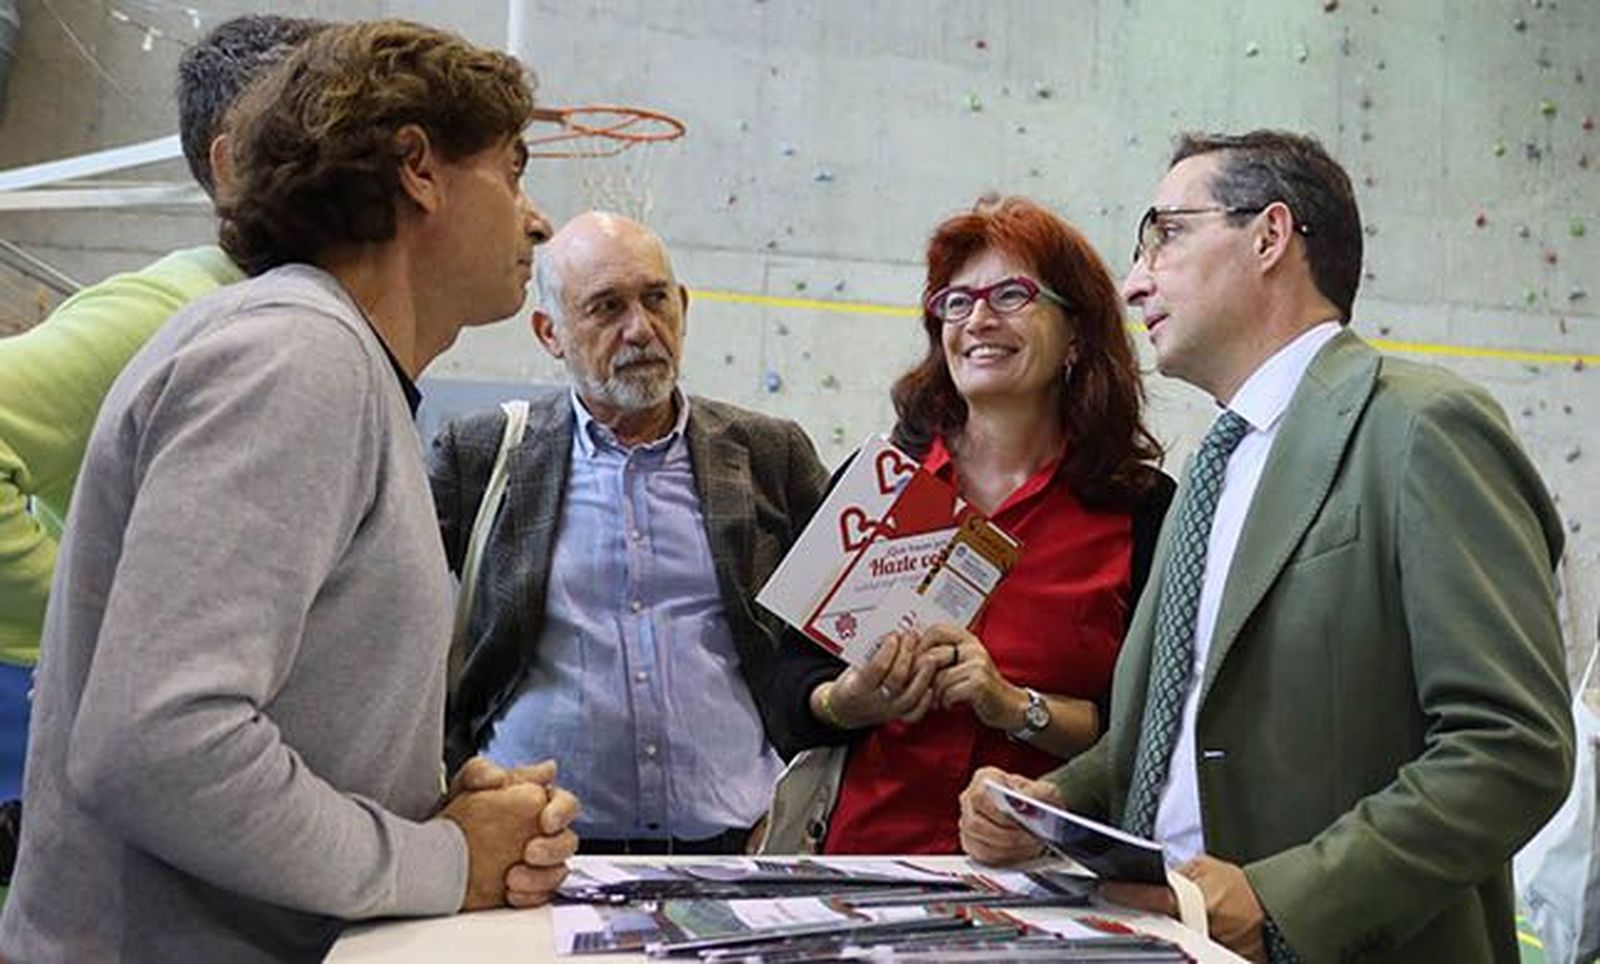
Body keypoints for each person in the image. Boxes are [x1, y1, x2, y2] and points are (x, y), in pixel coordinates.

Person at [0, 20, 578, 963]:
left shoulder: (339, 363)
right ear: (418, 170)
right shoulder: (295, 357)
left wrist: (425, 801)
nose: (537, 218)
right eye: (512, 171)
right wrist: (440, 861)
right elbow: (160, 745)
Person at [959, 131, 1574, 964]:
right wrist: (1046, 801)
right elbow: (1166, 736)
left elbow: (1512, 747)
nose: (1136, 280)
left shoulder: (1421, 428)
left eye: (1165, 234)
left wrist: (1283, 900)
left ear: (1270, 236)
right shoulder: (1208, 471)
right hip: (1155, 935)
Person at [770, 196, 1174, 855]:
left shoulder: (1140, 507)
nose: (978, 319)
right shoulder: (883, 483)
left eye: (1012, 294)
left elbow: (1146, 731)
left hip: (1049, 880)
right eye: (956, 302)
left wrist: (1013, 706)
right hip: (866, 869)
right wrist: (848, 701)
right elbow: (786, 688)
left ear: (1077, 331)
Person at [0, 12, 322, 828]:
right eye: (336, 126)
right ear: (235, 160)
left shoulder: (303, 328)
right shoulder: (163, 312)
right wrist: (90, 616)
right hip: (89, 773)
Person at [429, 211, 830, 854]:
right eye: (606, 308)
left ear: (683, 306)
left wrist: (802, 796)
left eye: (655, 299)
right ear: (549, 332)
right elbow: (394, 633)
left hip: (736, 850)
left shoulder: (768, 454)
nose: (640, 329)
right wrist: (448, 781)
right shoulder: (481, 456)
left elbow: (832, 643)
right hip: (541, 852)